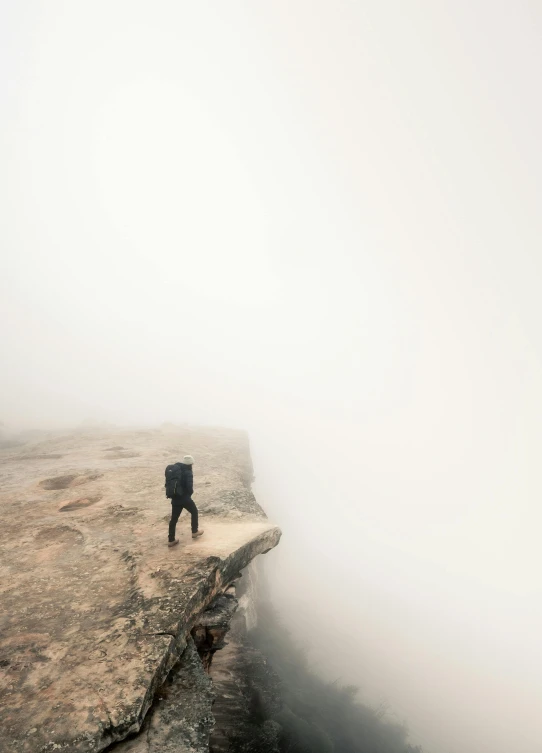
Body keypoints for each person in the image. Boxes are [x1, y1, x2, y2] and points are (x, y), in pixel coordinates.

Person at [168, 454, 204, 547]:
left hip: (175, 498)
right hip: (184, 498)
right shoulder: (188, 472)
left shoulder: (177, 470)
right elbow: (189, 487)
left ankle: (171, 540)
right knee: (194, 512)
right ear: (191, 464)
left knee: (174, 519)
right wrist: (188, 495)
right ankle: (194, 531)